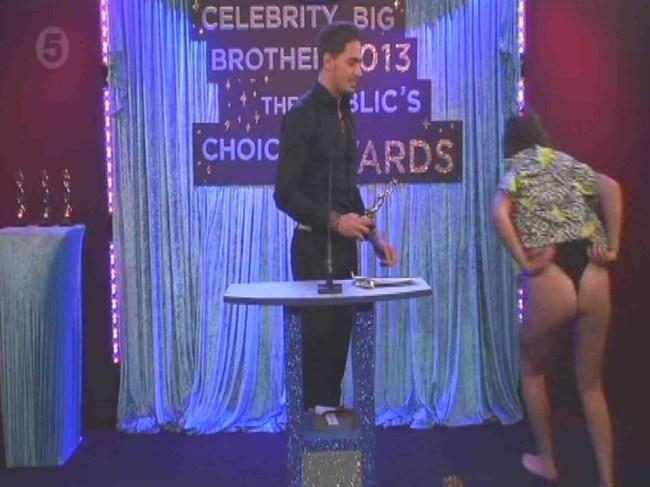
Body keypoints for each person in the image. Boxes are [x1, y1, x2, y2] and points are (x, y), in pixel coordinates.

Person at [274, 21, 399, 410]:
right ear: (328, 61)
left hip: (345, 253)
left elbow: (347, 189)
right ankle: (313, 433)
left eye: (361, 62)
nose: (360, 70)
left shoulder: (347, 116)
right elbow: (284, 194)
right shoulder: (301, 116)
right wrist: (335, 222)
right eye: (352, 62)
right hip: (313, 252)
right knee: (317, 357)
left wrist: (373, 236)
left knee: (337, 359)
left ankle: (332, 430)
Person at [493, 113, 622, 487]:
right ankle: (608, 480)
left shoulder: (517, 164)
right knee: (591, 385)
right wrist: (613, 247)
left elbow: (499, 213)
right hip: (593, 269)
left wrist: (524, 263)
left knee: (532, 370)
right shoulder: (564, 161)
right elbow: (610, 186)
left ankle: (548, 461)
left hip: (551, 271)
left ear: (512, 144)